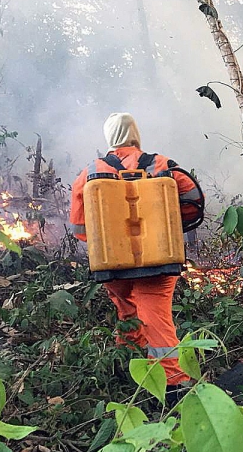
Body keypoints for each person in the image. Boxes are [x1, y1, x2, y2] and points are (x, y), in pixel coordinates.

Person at [70, 113, 197, 392]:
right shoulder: (162, 164)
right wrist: (171, 227)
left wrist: (113, 240)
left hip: (113, 267)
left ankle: (129, 376)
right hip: (160, 264)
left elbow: (80, 228)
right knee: (157, 322)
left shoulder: (90, 172)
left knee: (128, 316)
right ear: (135, 133)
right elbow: (193, 201)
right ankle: (174, 386)